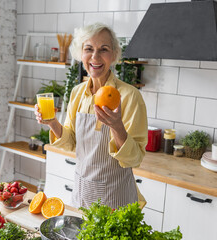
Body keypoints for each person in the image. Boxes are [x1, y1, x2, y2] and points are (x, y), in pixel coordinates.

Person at [34, 22, 148, 209]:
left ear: (113, 55)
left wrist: (117, 127)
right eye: (89, 49)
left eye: (103, 49)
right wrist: (52, 122)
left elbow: (134, 159)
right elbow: (71, 142)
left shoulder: (129, 96)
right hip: (83, 193)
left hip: (116, 198)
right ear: (81, 54)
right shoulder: (77, 93)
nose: (95, 57)